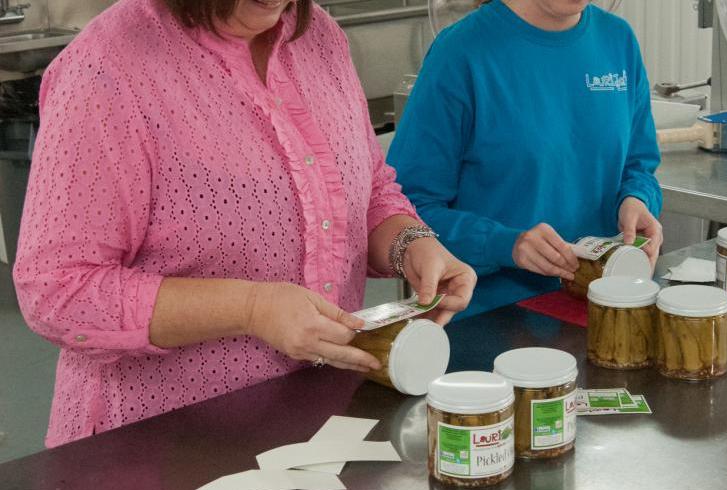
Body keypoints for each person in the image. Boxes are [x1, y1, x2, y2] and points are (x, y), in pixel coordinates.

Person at [13, 0, 476, 448]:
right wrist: (252, 308)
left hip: (315, 427)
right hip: (156, 444)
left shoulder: (320, 38)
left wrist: (411, 245)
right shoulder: (107, 68)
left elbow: (370, 190)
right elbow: (57, 290)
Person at [388, 0, 663, 319]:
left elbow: (639, 166)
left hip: (607, 310)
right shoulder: (461, 53)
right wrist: (505, 244)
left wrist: (637, 200)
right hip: (496, 321)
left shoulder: (618, 39)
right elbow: (405, 212)